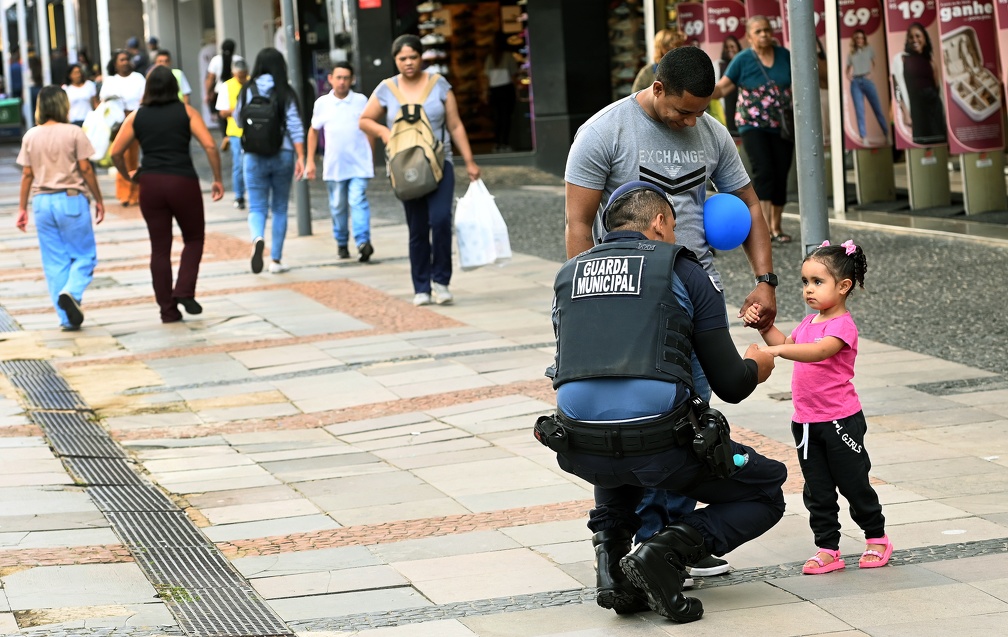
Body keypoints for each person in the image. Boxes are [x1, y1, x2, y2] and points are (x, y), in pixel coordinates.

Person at [564, 44, 779, 578]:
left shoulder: (710, 133)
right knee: (628, 419)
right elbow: (577, 223)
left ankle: (674, 541)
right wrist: (583, 306)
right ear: (657, 88)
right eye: (684, 110)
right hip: (625, 300)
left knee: (690, 423)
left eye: (701, 111)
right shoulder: (603, 132)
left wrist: (764, 280)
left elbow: (749, 202)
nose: (692, 121)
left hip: (693, 290)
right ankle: (631, 537)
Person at [541, 181, 785, 621]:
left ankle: (612, 567)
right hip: (660, 445)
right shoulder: (683, 268)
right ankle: (665, 550)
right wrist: (758, 365)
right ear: (659, 223)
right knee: (767, 489)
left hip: (579, 444)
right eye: (673, 226)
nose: (674, 236)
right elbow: (729, 384)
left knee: (616, 442)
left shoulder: (570, 272)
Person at [745, 240, 891, 575]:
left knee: (854, 484)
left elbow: (818, 352)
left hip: (840, 421)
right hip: (806, 423)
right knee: (817, 490)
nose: (808, 290)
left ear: (843, 287)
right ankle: (828, 548)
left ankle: (877, 538)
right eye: (805, 282)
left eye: (817, 282)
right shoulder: (809, 323)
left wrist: (777, 354)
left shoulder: (842, 327)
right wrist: (765, 328)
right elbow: (787, 345)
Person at [360, 34, 481, 306]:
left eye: (413, 57)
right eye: (402, 58)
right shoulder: (386, 88)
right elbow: (365, 119)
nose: (408, 63)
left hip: (440, 164)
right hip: (405, 169)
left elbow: (456, 125)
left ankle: (441, 281)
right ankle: (421, 287)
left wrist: (470, 161)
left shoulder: (439, 86)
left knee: (439, 221)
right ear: (395, 60)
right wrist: (383, 132)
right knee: (416, 228)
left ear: (421, 57)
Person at [109, 66, 224, 323]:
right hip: (182, 181)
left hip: (151, 183)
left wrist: (129, 176)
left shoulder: (137, 117)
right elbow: (209, 144)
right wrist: (217, 178)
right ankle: (184, 290)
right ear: (175, 87)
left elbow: (116, 152)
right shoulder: (186, 112)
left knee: (159, 249)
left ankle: (167, 311)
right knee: (193, 239)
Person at [15, 85, 105, 331]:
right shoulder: (74, 132)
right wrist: (99, 199)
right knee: (85, 255)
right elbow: (86, 169)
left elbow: (26, 174)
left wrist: (22, 209)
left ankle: (66, 318)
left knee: (54, 262)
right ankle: (72, 292)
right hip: (71, 198)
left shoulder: (31, 135)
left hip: (42, 202)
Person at [713, 16, 794, 244]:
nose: (764, 34)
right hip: (753, 125)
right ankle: (765, 228)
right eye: (758, 31)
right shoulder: (743, 59)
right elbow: (723, 88)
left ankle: (777, 226)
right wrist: (699, 93)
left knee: (781, 173)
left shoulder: (784, 56)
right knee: (764, 171)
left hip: (782, 125)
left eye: (767, 30)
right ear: (749, 37)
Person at [233, 47, 305, 274]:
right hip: (282, 154)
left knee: (256, 206)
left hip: (253, 155)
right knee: (280, 207)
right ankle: (276, 260)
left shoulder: (246, 90)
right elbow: (295, 125)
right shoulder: (285, 91)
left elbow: (238, 120)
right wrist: (302, 156)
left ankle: (257, 238)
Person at [306, 62, 375, 262]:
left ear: (352, 80)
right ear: (330, 79)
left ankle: (363, 242)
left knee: (357, 200)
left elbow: (369, 128)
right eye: (338, 77)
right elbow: (313, 130)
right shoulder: (322, 104)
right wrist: (310, 160)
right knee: (337, 205)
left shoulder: (361, 101)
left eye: (346, 78)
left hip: (359, 164)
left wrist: (369, 155)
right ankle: (342, 242)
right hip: (335, 166)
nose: (342, 82)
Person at [100, 49, 146, 206]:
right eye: (121, 60)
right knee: (120, 156)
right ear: (115, 64)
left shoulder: (138, 78)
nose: (125, 62)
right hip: (117, 124)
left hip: (136, 120)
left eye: (127, 59)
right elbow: (103, 101)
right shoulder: (110, 81)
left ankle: (136, 193)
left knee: (134, 157)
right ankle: (124, 193)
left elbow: (145, 98)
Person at [891, 22, 945, 145]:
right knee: (921, 144)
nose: (914, 39)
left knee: (939, 142)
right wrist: (904, 111)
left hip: (934, 107)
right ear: (907, 40)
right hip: (916, 110)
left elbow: (937, 88)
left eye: (918, 36)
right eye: (911, 37)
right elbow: (897, 88)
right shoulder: (901, 59)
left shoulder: (931, 61)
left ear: (924, 39)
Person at [214, 58, 249, 210]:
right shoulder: (227, 86)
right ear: (233, 73)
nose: (241, 78)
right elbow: (221, 112)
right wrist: (236, 111)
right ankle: (239, 195)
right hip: (235, 132)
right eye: (239, 75)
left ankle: (251, 194)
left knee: (251, 164)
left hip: (251, 131)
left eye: (244, 75)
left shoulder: (250, 83)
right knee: (239, 164)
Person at [845, 30, 888, 146]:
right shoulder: (851, 53)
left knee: (877, 108)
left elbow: (874, 63)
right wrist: (849, 77)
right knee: (860, 111)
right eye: (857, 38)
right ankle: (863, 137)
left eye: (861, 38)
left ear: (864, 39)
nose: (859, 40)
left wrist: (871, 74)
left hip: (867, 81)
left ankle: (886, 133)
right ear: (855, 40)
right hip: (856, 83)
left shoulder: (869, 50)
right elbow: (847, 69)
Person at [483, 32, 519, 152]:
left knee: (497, 118)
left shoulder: (490, 57)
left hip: (494, 90)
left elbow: (487, 78)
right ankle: (505, 143)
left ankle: (497, 143)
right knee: (506, 117)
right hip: (506, 89)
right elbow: (513, 74)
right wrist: (517, 91)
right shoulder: (508, 56)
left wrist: (485, 92)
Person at [631, 29, 685, 93]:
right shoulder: (648, 72)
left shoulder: (684, 68)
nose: (675, 51)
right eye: (670, 48)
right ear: (661, 49)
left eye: (678, 47)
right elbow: (635, 98)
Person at [205, 39, 240, 124]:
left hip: (219, 91)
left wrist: (208, 93)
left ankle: (225, 135)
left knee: (222, 117)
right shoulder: (238, 60)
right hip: (236, 91)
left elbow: (210, 78)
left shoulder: (216, 60)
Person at [718, 35, 741, 137]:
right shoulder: (721, 65)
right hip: (728, 105)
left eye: (732, 46)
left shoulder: (743, 62)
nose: (730, 50)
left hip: (742, 104)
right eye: (727, 47)